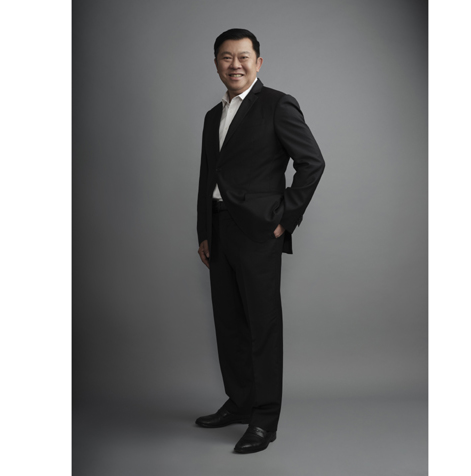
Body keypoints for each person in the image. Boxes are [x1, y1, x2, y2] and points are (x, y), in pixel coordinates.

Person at [195, 28, 325, 454]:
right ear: (217, 63)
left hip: (258, 232)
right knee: (229, 324)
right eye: (226, 57)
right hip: (219, 231)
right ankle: (240, 403)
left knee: (262, 327)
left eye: (243, 56)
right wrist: (203, 231)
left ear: (258, 62)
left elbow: (312, 162)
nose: (235, 64)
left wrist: (285, 219)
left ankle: (265, 420)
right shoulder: (212, 116)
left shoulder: (277, 104)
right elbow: (208, 176)